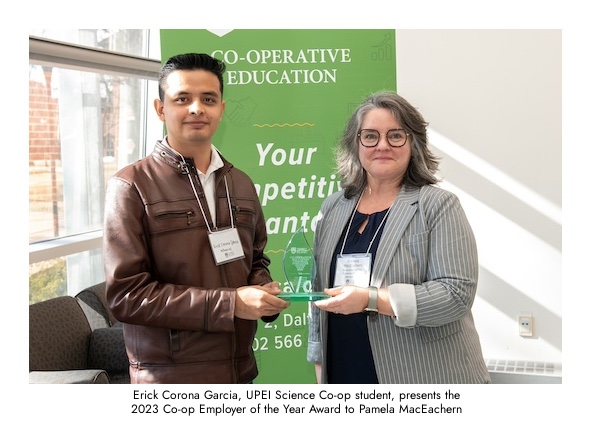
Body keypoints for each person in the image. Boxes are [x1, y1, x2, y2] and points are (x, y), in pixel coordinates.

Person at [103, 53, 288, 384]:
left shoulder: (241, 183)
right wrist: (230, 304)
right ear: (161, 109)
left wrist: (262, 291)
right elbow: (126, 297)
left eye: (208, 99)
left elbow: (255, 260)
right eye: (182, 99)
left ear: (221, 108)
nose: (196, 108)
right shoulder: (131, 186)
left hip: (240, 371)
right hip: (170, 380)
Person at [307, 91, 491, 384]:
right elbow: (319, 291)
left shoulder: (438, 205)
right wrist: (319, 363)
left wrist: (370, 299)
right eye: (370, 136)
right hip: (345, 370)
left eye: (395, 136)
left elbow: (456, 295)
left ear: (413, 143)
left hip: (422, 378)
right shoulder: (334, 206)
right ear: (356, 144)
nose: (382, 145)